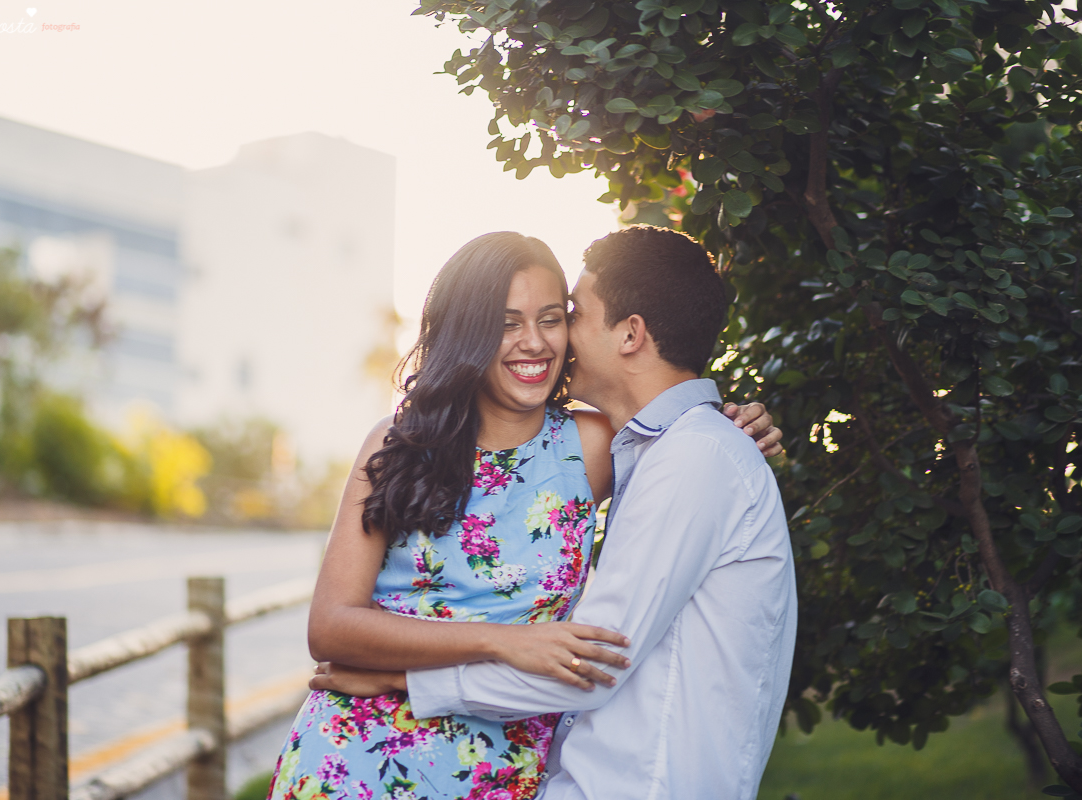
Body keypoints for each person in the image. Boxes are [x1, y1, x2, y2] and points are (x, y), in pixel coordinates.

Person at [267, 231, 782, 800]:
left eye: (554, 318)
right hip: (358, 752)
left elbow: (676, 437)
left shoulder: (594, 445)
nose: (534, 343)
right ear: (469, 331)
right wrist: (500, 641)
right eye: (507, 323)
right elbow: (331, 626)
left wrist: (730, 423)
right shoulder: (400, 442)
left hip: (507, 769)